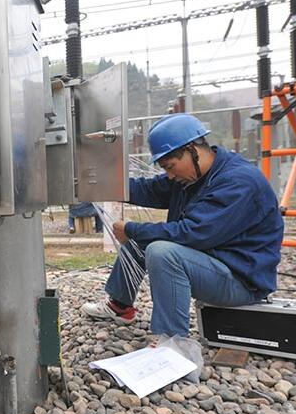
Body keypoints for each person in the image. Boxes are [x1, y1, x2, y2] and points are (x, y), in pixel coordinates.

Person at [81, 113, 284, 337]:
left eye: (171, 166)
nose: (169, 175)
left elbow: (194, 233)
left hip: (241, 281)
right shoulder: (193, 176)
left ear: (192, 150)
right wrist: (100, 184)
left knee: (162, 252)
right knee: (142, 241)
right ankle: (119, 306)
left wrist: (131, 229)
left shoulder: (238, 182)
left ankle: (172, 342)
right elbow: (148, 190)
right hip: (214, 263)